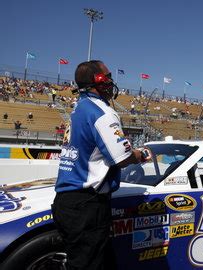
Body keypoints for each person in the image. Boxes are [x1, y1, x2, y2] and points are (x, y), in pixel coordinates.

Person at [52, 60, 151, 270]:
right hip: (87, 205)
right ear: (99, 81)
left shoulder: (80, 107)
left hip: (68, 201)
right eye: (108, 77)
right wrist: (141, 154)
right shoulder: (102, 113)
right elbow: (122, 157)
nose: (111, 81)